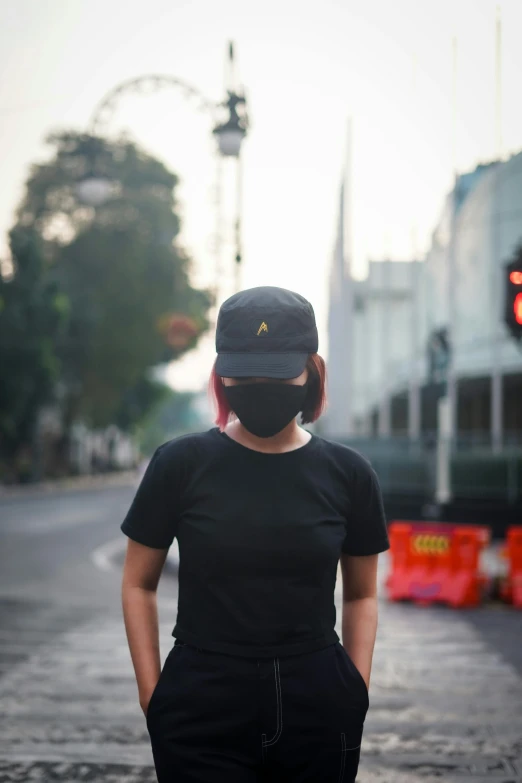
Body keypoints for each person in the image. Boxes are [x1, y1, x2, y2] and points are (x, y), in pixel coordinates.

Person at [120, 285, 390, 783]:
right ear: (223, 374)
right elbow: (138, 582)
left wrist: (356, 690)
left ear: (311, 370)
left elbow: (361, 595)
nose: (260, 382)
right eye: (245, 370)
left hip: (320, 703)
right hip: (201, 701)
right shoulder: (179, 465)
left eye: (278, 370)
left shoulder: (349, 474)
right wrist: (152, 695)